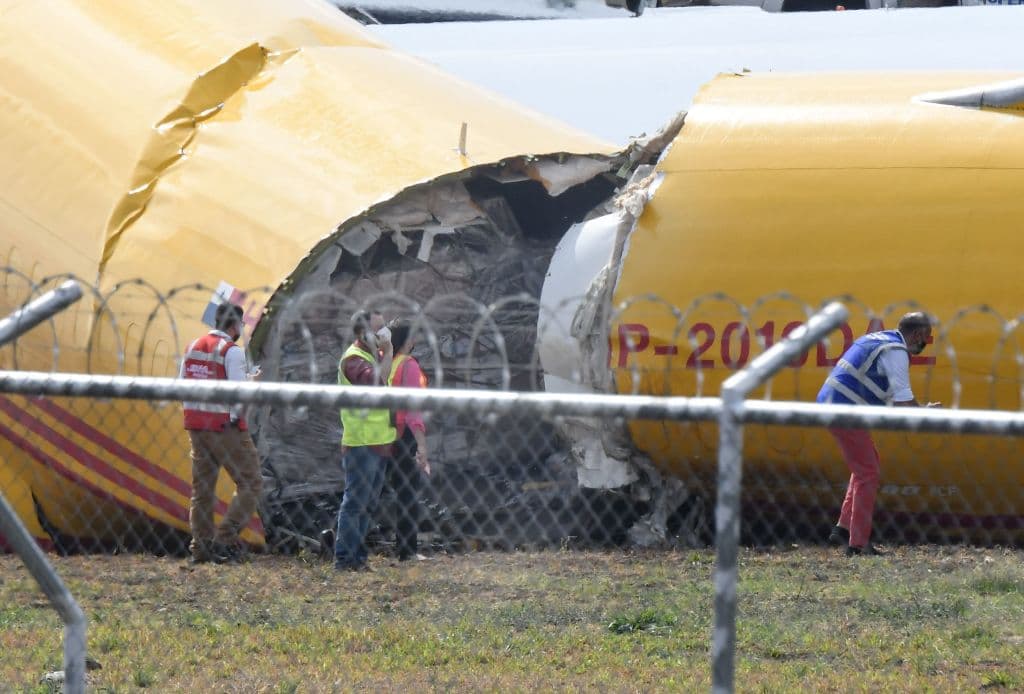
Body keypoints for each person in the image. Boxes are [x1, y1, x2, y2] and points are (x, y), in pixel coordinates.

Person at [817, 311, 940, 556]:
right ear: (916, 334)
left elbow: (889, 397)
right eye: (926, 338)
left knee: (867, 465)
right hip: (844, 409)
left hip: (838, 405)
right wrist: (924, 413)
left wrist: (918, 409)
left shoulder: (878, 339)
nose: (925, 344)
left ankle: (843, 529)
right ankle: (858, 545)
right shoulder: (896, 352)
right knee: (868, 473)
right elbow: (904, 400)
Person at [180, 302, 262, 564]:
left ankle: (201, 546)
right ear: (235, 325)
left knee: (202, 489)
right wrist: (254, 382)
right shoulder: (232, 351)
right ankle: (225, 539)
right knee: (251, 482)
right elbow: (238, 392)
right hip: (225, 427)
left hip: (196, 426)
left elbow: (183, 385)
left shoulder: (193, 346)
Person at [334, 309, 396, 571]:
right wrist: (390, 351)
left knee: (368, 504)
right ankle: (345, 559)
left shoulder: (373, 356)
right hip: (361, 442)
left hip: (379, 440)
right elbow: (376, 385)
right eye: (378, 329)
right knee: (355, 503)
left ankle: (358, 557)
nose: (383, 333)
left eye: (385, 328)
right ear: (362, 333)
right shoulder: (354, 360)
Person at [386, 318, 431, 562]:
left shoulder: (391, 364)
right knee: (409, 493)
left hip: (390, 434)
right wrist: (421, 444)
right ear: (408, 340)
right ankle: (408, 549)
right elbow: (413, 409)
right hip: (405, 437)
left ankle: (404, 547)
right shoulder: (410, 365)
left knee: (398, 491)